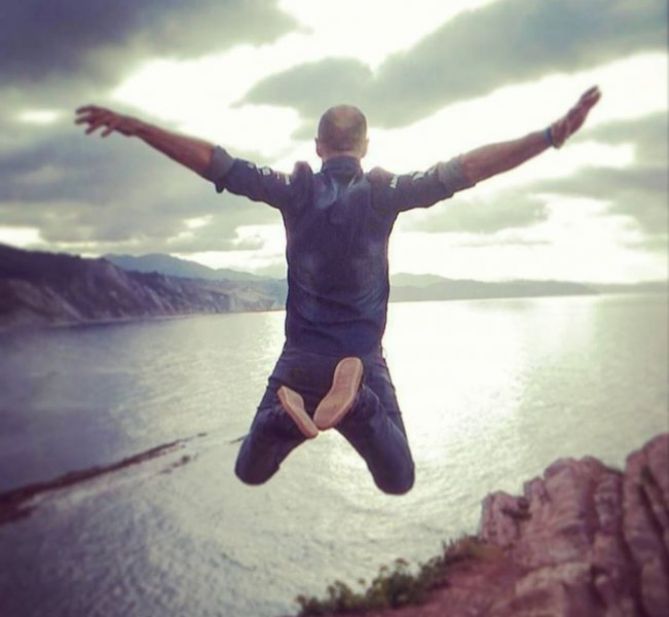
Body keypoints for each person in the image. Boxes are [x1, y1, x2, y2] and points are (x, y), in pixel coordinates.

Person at [76, 85, 601, 495]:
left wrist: (136, 126)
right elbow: (467, 168)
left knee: (250, 471)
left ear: (319, 147)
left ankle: (288, 417)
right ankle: (357, 407)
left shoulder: (294, 189)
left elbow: (218, 163)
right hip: (362, 360)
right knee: (398, 478)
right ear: (366, 146)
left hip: (298, 360)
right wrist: (549, 136)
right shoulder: (385, 193)